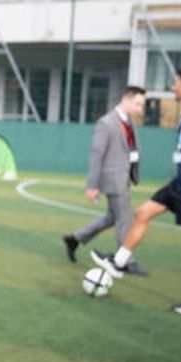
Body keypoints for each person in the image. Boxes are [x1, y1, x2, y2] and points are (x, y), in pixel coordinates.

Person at [91, 67, 181, 316]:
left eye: (176, 83)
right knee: (143, 212)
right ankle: (118, 263)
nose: (173, 87)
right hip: (179, 184)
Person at [63, 86, 149, 275]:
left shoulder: (129, 121)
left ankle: (75, 238)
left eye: (142, 106)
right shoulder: (106, 123)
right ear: (125, 100)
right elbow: (96, 155)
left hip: (125, 177)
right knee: (124, 219)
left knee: (113, 217)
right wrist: (92, 185)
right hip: (113, 180)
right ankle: (125, 261)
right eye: (138, 105)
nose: (140, 110)